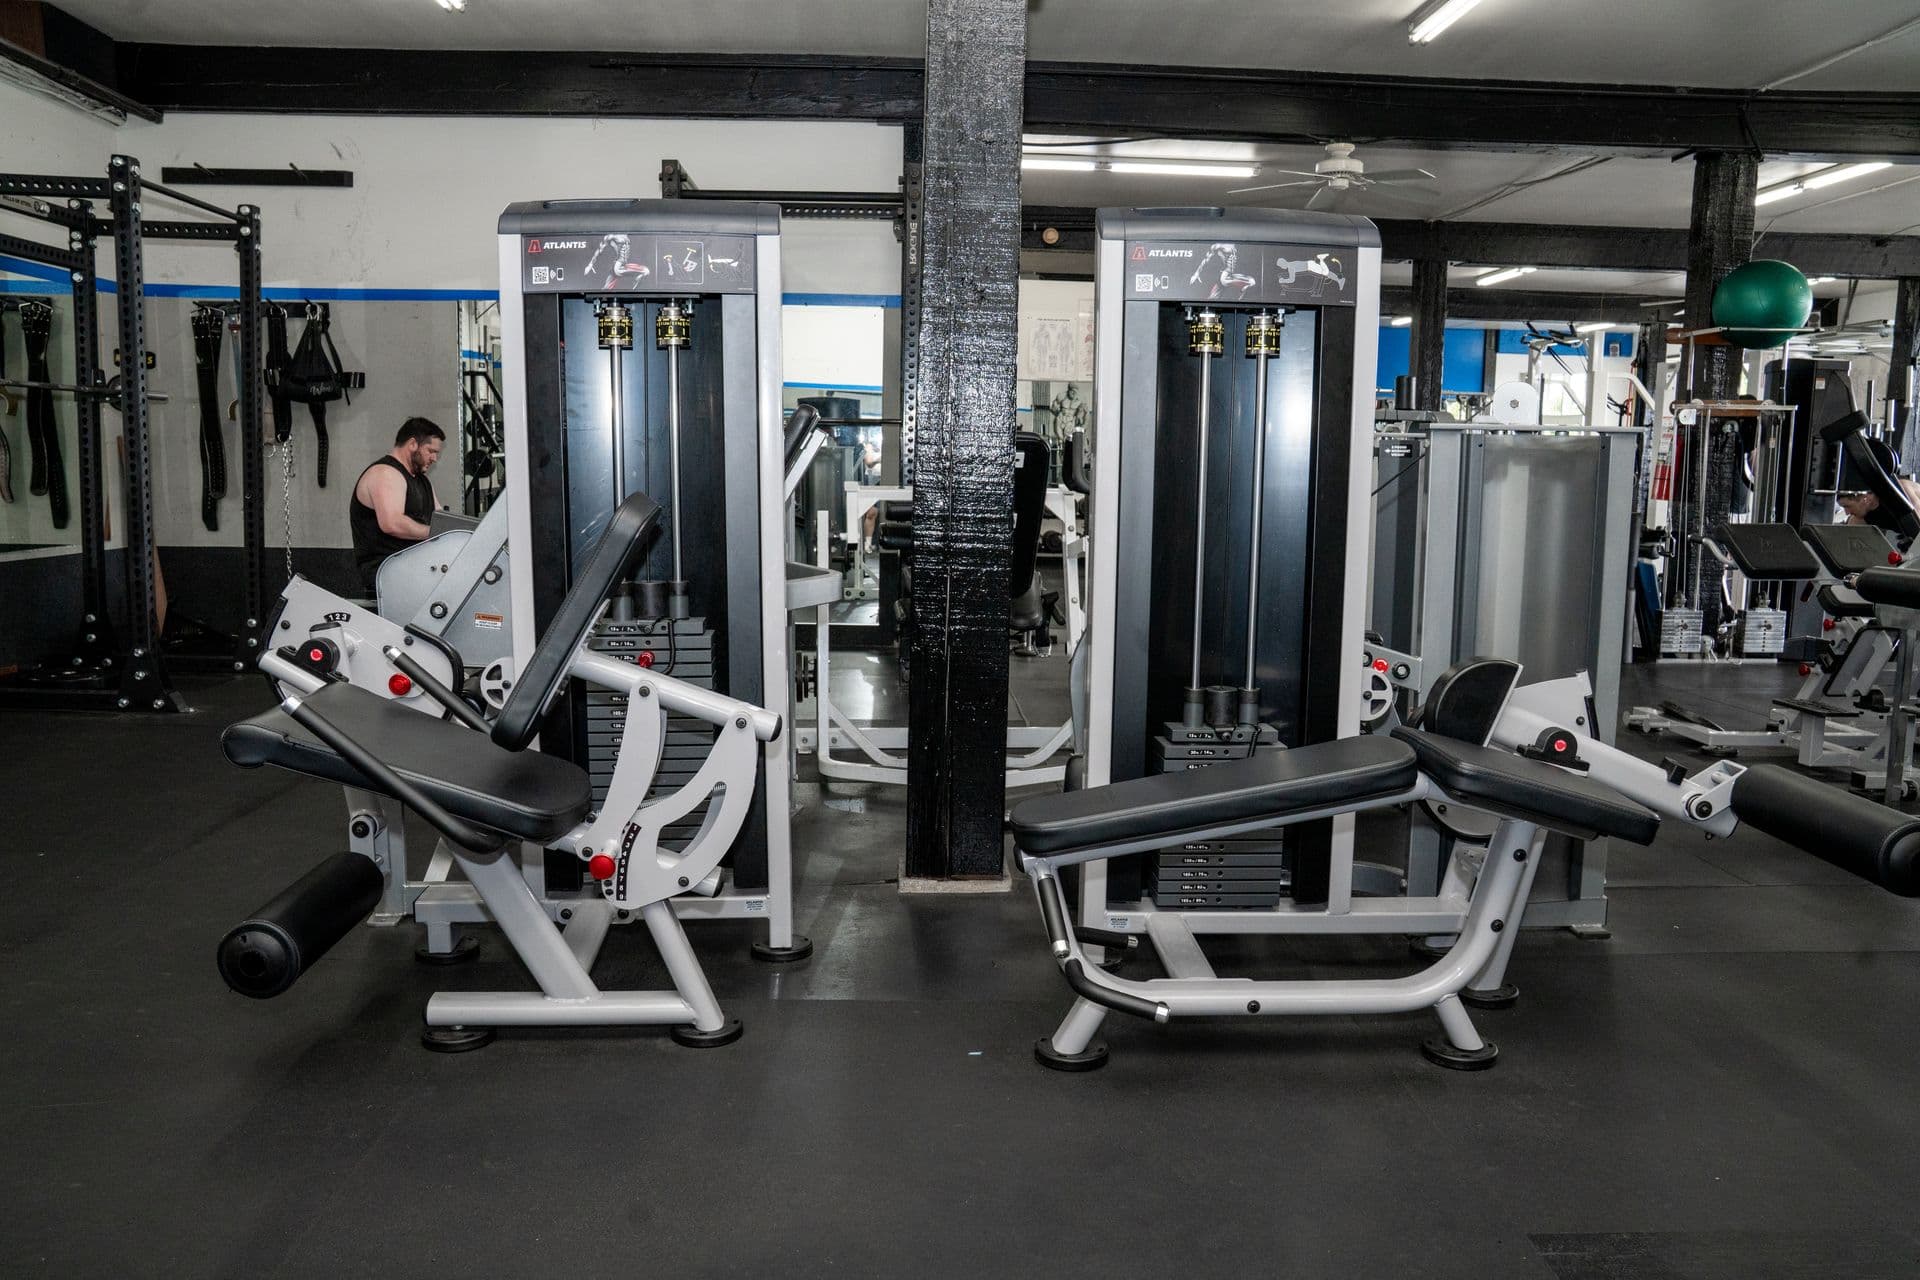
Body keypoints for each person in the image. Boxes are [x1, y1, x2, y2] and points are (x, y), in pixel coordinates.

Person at [350, 417, 444, 591]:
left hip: (416, 571)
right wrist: (437, 532)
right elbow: (392, 524)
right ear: (413, 444)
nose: (434, 458)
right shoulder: (385, 473)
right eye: (431, 451)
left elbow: (441, 519)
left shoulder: (423, 481)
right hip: (387, 575)